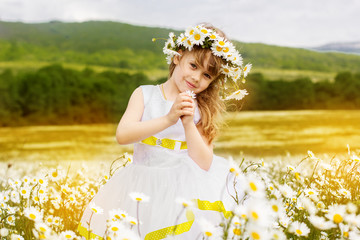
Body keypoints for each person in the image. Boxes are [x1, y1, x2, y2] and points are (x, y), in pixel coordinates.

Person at [78, 23, 250, 240]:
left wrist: (188, 123)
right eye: (194, 66)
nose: (197, 78)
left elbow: (204, 162)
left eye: (207, 75)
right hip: (140, 183)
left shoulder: (201, 109)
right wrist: (169, 119)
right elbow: (123, 135)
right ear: (178, 57)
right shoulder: (145, 95)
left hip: (183, 186)